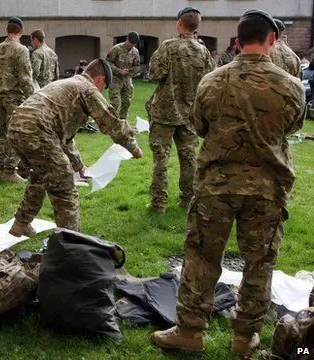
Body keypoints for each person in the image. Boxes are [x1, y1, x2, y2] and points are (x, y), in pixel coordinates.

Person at [150, 10, 305, 357]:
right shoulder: (290, 85)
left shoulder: (212, 81)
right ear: (272, 40)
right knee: (259, 263)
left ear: (237, 42)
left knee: (202, 258)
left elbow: (200, 126)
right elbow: (290, 127)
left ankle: (190, 331)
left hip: (216, 186)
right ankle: (244, 337)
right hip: (267, 189)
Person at [7, 59, 143, 236]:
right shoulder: (88, 89)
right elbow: (110, 122)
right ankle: (71, 243)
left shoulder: (68, 84)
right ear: (100, 79)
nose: (102, 92)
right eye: (104, 88)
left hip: (17, 126)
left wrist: (79, 166)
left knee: (41, 176)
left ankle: (21, 224)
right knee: (65, 188)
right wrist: (134, 148)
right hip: (37, 130)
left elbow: (65, 138)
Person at [147, 7, 216, 215]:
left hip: (164, 114)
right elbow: (210, 79)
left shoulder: (168, 47)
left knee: (161, 160)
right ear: (196, 26)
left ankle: (158, 204)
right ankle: (187, 200)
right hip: (189, 114)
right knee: (189, 158)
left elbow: (154, 75)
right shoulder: (202, 51)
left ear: (179, 23)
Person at [0, 17, 35, 182]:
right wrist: (33, 100)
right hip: (14, 97)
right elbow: (25, 79)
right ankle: (9, 170)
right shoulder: (21, 50)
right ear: (20, 32)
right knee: (14, 134)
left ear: (7, 31)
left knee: (0, 135)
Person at [106, 31, 141, 119]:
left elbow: (137, 66)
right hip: (115, 79)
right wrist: (118, 70)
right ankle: (110, 120)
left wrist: (129, 71)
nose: (131, 46)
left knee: (127, 102)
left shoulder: (135, 52)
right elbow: (108, 62)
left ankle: (122, 120)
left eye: (133, 44)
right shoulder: (116, 49)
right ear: (127, 39)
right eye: (130, 43)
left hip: (127, 80)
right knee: (115, 102)